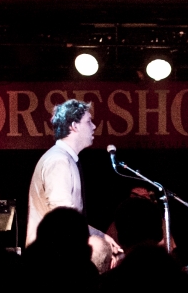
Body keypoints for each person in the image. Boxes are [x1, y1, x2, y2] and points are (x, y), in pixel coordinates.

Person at [26, 99, 120, 253]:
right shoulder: (59, 161)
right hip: (52, 255)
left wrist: (100, 235)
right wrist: (99, 239)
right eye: (88, 122)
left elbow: (68, 219)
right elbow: (64, 219)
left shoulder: (65, 158)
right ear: (74, 126)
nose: (94, 126)